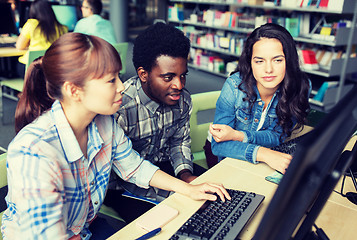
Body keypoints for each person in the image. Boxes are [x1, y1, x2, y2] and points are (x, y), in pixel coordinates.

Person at [1, 32, 230, 240]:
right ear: (74, 90)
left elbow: (134, 167)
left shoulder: (103, 122)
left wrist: (187, 187)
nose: (122, 86)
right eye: (111, 80)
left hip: (84, 227)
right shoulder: (34, 151)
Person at [103, 22, 203, 221]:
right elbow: (127, 170)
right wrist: (178, 191)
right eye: (168, 77)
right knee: (175, 219)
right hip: (121, 184)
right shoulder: (120, 108)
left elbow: (179, 143)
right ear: (143, 75)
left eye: (183, 75)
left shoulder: (182, 99)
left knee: (214, 193)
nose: (179, 85)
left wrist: (185, 175)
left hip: (161, 166)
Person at [209, 23, 310, 174]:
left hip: (263, 160)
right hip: (227, 158)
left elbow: (277, 135)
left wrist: (239, 135)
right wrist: (264, 154)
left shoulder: (300, 86)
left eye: (277, 60)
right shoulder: (234, 86)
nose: (268, 69)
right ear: (250, 62)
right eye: (259, 61)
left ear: (289, 60)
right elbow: (219, 146)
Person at [15, 0, 67, 77]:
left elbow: (20, 46)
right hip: (52, 68)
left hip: (32, 68)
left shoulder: (31, 24)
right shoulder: (62, 28)